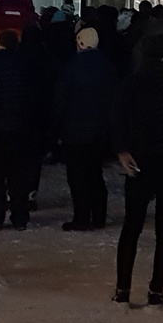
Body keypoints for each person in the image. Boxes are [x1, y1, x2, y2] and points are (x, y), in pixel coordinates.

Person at [110, 27, 163, 303]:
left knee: (131, 225)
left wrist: (122, 150)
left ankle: (123, 289)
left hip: (139, 160)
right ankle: (156, 290)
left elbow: (118, 117)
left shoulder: (133, 83)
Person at [51, 26, 117, 231]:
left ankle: (82, 217)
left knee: (78, 177)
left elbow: (60, 103)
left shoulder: (71, 69)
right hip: (101, 131)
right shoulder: (109, 67)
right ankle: (99, 216)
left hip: (75, 131)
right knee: (95, 174)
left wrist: (54, 130)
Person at [0, 30, 40, 230]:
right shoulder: (27, 67)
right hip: (20, 129)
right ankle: (20, 216)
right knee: (18, 176)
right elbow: (33, 99)